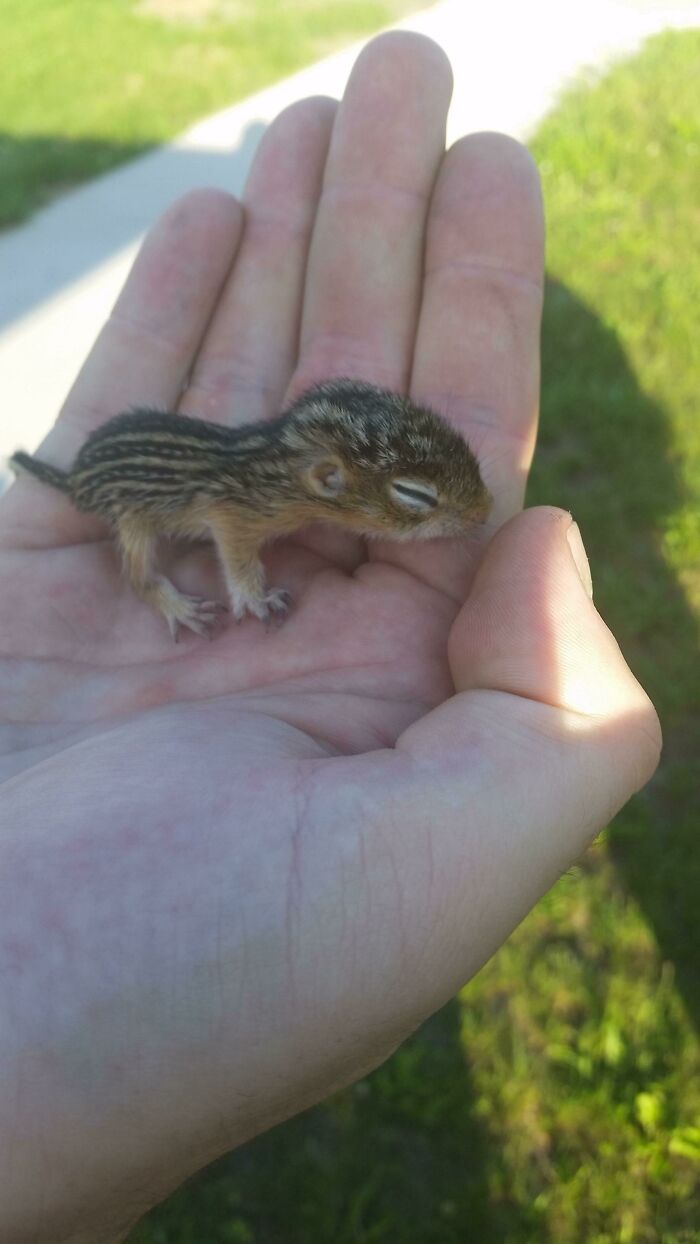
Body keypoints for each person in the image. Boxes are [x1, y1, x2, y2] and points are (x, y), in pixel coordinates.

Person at [0, 31, 660, 1244]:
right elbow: (222, 522)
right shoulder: (260, 494)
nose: (451, 526)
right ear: (326, 480)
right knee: (156, 544)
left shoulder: (298, 477)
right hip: (140, 498)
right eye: (412, 506)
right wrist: (224, 595)